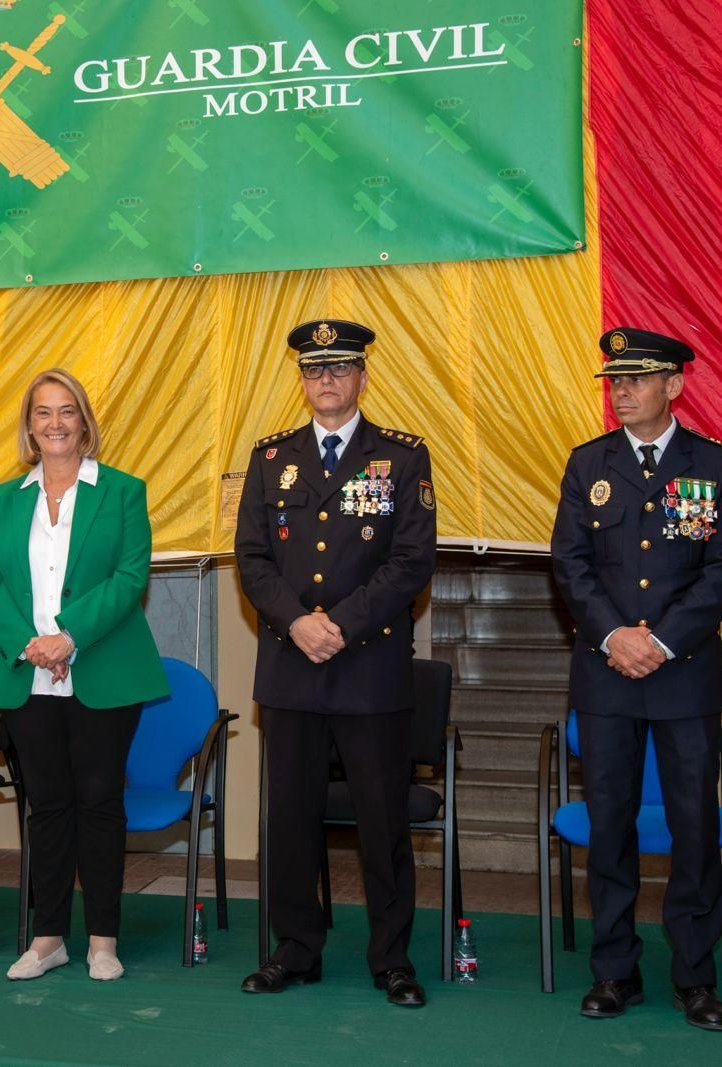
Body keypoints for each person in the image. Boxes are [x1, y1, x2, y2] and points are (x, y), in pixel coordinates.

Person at [550, 328, 722, 1032]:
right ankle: (614, 971)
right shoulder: (589, 463)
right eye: (615, 380)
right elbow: (570, 563)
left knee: (694, 827)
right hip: (607, 673)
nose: (622, 390)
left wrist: (659, 641)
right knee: (610, 824)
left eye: (636, 379)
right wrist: (616, 637)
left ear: (675, 386)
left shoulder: (714, 464)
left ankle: (696, 977)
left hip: (683, 675)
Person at [234, 319, 437, 1007]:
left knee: (382, 823)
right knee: (290, 819)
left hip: (369, 669)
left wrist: (341, 625)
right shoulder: (271, 458)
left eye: (340, 367)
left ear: (362, 377)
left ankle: (392, 959)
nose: (326, 379)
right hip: (291, 665)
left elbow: (411, 561)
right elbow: (252, 559)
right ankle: (295, 949)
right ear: (302, 380)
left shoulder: (402, 457)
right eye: (314, 369)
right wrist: (297, 621)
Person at [0, 369, 169, 982]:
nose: (55, 423)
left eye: (67, 411)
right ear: (29, 426)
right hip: (26, 674)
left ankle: (103, 941)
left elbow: (130, 577)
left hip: (102, 670)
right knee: (48, 807)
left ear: (84, 422)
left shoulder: (123, 491)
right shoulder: (6, 498)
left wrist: (68, 636)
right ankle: (49, 937)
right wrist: (31, 646)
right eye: (43, 412)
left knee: (100, 804)